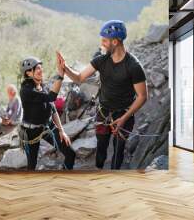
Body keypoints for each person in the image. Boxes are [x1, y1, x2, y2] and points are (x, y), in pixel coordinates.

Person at [57, 20, 148, 170]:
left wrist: (124, 118)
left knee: (118, 150)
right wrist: (65, 67)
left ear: (115, 41)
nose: (102, 43)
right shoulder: (101, 60)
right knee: (101, 148)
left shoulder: (134, 66)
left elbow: (142, 96)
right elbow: (79, 78)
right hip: (103, 113)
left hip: (124, 114)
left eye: (105, 40)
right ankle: (99, 172)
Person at [19, 56, 76, 170]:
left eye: (41, 68)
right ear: (29, 73)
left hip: (47, 126)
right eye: (37, 68)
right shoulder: (26, 91)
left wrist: (61, 130)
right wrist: (60, 75)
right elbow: (51, 97)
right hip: (30, 131)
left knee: (70, 154)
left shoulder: (41, 85)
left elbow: (52, 108)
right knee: (32, 164)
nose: (41, 70)